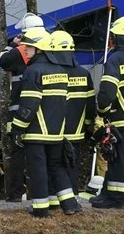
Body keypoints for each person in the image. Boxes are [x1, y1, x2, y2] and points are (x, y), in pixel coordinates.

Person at [10, 28, 80, 217]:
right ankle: (70, 204)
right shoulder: (61, 71)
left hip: (36, 132)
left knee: (38, 168)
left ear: (39, 48)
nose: (25, 50)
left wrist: (17, 128)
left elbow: (29, 104)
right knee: (56, 167)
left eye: (29, 47)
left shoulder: (33, 71)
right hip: (56, 132)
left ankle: (40, 208)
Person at [0, 12, 44, 202]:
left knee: (17, 155)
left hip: (19, 110)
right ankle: (39, 193)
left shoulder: (21, 49)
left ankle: (15, 194)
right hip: (44, 112)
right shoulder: (49, 47)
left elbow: (2, 62)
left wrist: (12, 45)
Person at [48, 31, 95, 196]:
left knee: (54, 167)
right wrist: (89, 125)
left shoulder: (52, 74)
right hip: (76, 133)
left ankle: (55, 199)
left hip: (53, 133)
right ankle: (72, 197)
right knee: (72, 166)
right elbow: (90, 105)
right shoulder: (84, 74)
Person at [92, 16, 124, 209]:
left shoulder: (116, 59)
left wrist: (102, 110)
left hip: (123, 119)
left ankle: (115, 198)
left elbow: (107, 91)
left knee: (120, 160)